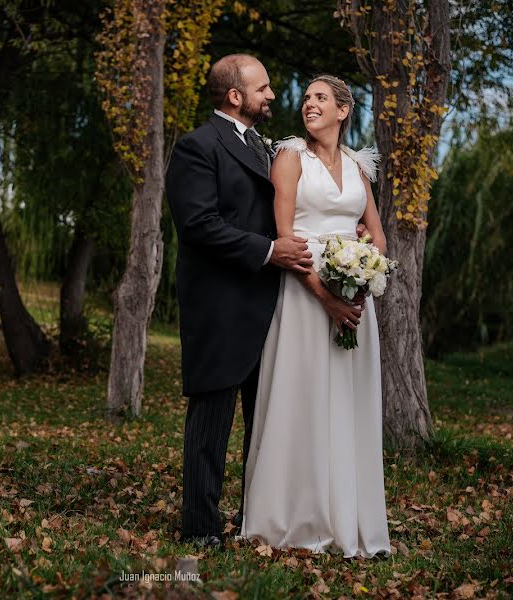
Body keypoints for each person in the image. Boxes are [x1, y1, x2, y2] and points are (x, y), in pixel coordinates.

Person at [165, 54, 314, 549]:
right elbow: (198, 225)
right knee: (211, 421)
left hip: (270, 305)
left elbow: (283, 209)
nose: (272, 96)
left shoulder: (265, 148)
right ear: (235, 96)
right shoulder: (197, 146)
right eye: (263, 88)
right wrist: (270, 250)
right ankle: (202, 528)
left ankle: (255, 517)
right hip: (221, 305)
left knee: (264, 421)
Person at [240, 74, 392, 558]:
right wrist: (325, 295)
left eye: (320, 98)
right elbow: (284, 238)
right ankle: (293, 516)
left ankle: (349, 516)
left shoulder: (358, 165)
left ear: (343, 110)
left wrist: (363, 280)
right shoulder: (289, 157)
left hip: (354, 303)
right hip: (305, 296)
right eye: (306, 98)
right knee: (302, 398)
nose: (309, 104)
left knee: (347, 401)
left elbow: (377, 236)